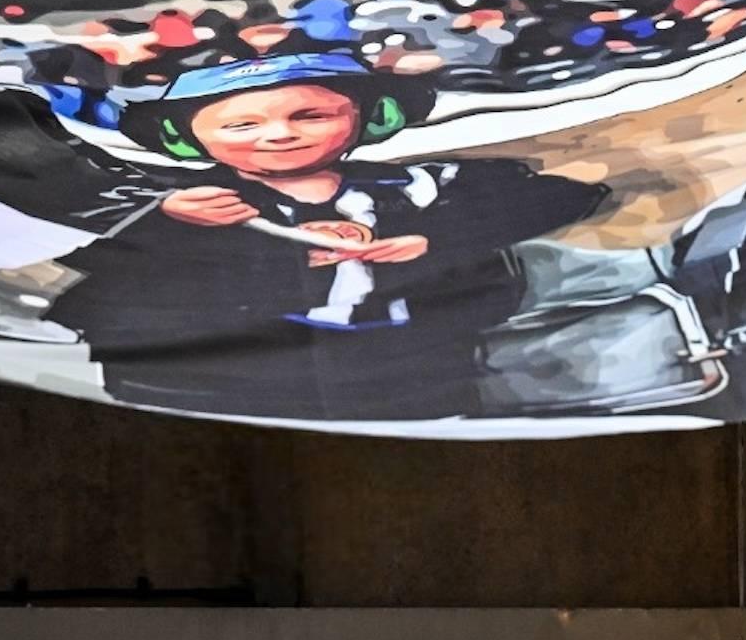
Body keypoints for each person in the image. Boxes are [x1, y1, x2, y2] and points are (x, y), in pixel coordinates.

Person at [51, 53, 610, 420]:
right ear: (192, 138)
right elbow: (86, 246)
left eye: (312, 116)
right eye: (241, 125)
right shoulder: (174, 201)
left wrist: (430, 240)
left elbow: (563, 195)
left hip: (417, 372)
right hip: (238, 382)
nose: (279, 136)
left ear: (363, 117)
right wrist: (175, 214)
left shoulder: (417, 185)